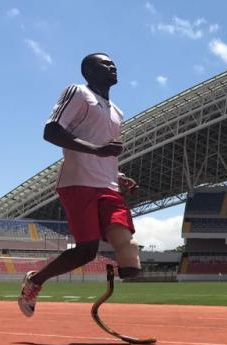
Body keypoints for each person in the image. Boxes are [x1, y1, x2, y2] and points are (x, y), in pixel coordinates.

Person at [18, 53, 141, 317]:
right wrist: (97, 150)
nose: (113, 66)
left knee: (126, 245)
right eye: (104, 64)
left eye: (114, 64)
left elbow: (102, 150)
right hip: (78, 182)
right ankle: (35, 280)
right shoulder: (77, 92)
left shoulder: (117, 112)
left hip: (108, 185)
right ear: (88, 71)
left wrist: (118, 174)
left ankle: (127, 266)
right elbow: (51, 130)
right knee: (86, 252)